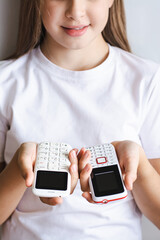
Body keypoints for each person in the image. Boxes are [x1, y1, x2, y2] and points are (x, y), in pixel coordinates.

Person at [0, 0, 160, 239]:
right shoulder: (5, 82)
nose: (75, 11)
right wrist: (19, 171)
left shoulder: (147, 81)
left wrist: (137, 162)